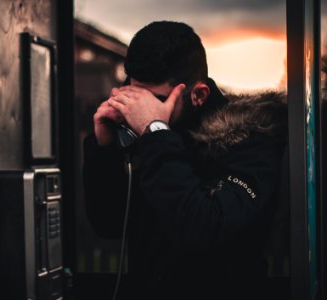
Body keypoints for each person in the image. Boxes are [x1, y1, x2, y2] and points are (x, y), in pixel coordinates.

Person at [83, 21, 287, 300]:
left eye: (156, 99)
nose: (143, 109)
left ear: (198, 94)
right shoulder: (153, 137)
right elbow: (108, 224)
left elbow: (205, 229)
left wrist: (155, 132)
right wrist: (104, 149)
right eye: (137, 95)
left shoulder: (251, 142)